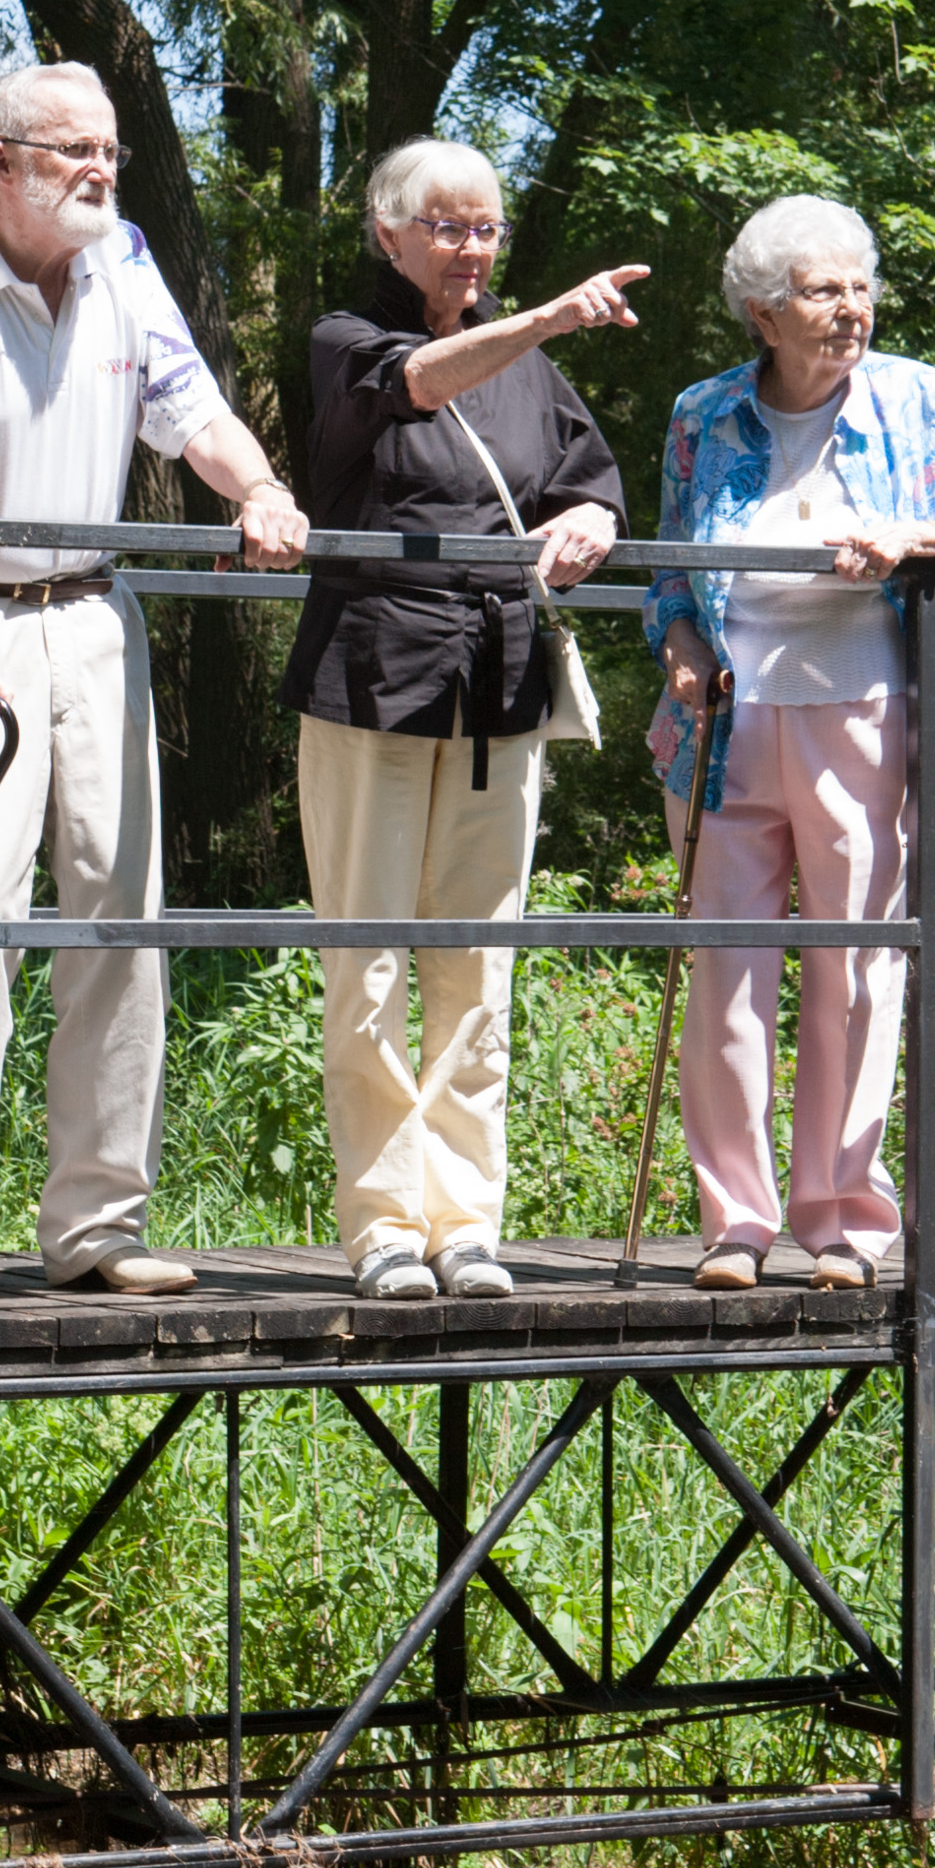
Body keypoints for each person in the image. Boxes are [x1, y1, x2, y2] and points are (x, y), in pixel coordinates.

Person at [0, 61, 307, 1304]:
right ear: (0, 162)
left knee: (120, 920)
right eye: (73, 154)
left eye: (110, 152)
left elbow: (193, 412)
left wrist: (255, 488)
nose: (104, 170)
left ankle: (97, 1223)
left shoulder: (123, 260)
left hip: (90, 618)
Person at [644, 197, 935, 1289]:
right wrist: (678, 641)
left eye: (860, 288)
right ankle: (734, 1222)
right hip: (724, 720)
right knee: (724, 979)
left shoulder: (915, 399)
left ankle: (840, 1223)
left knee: (855, 972)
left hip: (864, 713)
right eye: (823, 291)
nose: (850, 310)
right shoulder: (701, 412)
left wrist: (910, 536)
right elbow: (670, 571)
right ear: (764, 312)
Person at [283, 138, 634, 1300]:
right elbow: (421, 381)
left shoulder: (532, 366)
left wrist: (589, 519)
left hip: (499, 679)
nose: (472, 248)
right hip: (372, 676)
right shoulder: (346, 337)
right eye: (448, 227)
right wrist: (546, 317)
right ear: (388, 233)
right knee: (367, 959)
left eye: (485, 228)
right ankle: (383, 1222)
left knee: (477, 966)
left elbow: (584, 474)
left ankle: (463, 1219)